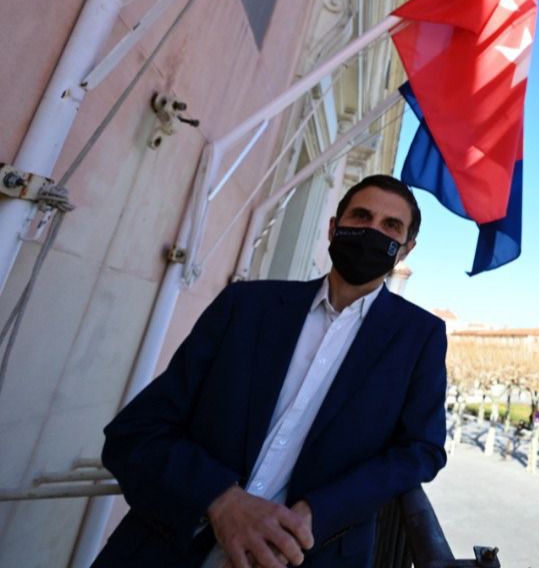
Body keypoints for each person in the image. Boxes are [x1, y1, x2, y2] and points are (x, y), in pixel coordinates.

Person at [92, 175, 448, 568]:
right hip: (165, 549)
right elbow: (135, 432)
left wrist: (318, 512)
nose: (371, 231)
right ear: (333, 227)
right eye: (361, 216)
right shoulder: (245, 307)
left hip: (307, 554)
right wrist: (220, 500)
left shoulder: (420, 337)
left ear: (405, 250)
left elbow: (422, 449)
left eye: (390, 226)